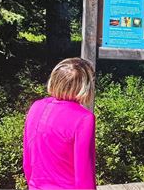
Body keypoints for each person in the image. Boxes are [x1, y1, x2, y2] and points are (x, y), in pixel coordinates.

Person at [23, 58, 96, 189]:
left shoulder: (36, 106)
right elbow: (84, 176)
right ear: (84, 87)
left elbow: (27, 163)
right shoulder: (84, 118)